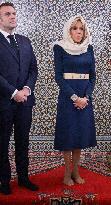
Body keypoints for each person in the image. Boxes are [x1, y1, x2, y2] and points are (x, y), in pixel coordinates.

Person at [53, 15, 97, 186]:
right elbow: (59, 77)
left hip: (84, 99)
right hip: (68, 98)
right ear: (69, 30)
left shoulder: (89, 48)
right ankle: (66, 173)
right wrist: (74, 97)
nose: (78, 32)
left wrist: (86, 97)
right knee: (68, 135)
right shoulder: (59, 47)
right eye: (75, 28)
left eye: (81, 29)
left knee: (79, 135)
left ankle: (75, 171)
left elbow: (92, 77)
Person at [0, 2, 39, 195]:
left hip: (25, 102)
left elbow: (33, 69)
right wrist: (13, 93)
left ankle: (23, 178)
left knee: (23, 142)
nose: (12, 16)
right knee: (2, 142)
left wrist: (26, 89)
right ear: (0, 18)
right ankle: (4, 181)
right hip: (3, 102)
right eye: (7, 14)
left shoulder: (25, 41)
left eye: (14, 13)